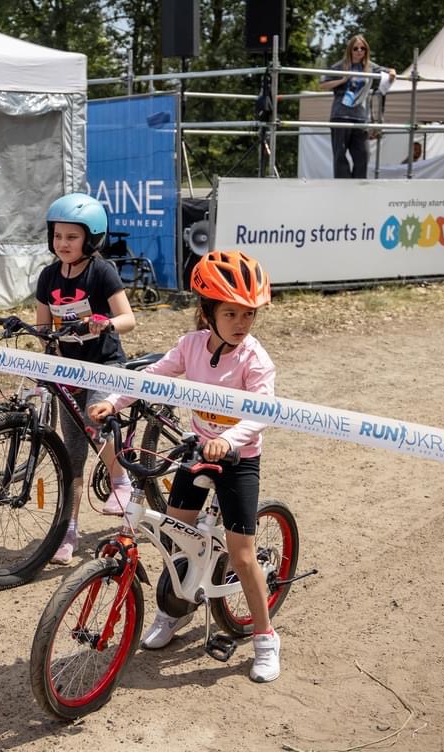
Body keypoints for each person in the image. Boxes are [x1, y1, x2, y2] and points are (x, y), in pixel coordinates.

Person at [88, 250, 280, 682]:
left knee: (243, 554)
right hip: (198, 448)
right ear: (207, 312)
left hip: (238, 458)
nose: (241, 323)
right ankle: (173, 611)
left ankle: (266, 637)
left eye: (248, 315)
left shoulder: (254, 358)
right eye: (231, 313)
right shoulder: (191, 345)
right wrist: (112, 401)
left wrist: (229, 441)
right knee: (175, 532)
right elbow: (153, 377)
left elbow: (263, 410)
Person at [32, 193, 136, 565]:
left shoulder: (102, 271)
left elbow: (128, 318)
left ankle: (121, 480)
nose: (63, 244)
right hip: (68, 372)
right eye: (58, 236)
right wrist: (37, 336)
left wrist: (104, 321)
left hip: (105, 365)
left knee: (96, 418)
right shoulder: (48, 276)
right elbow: (44, 325)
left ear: (91, 239)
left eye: (72, 237)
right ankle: (68, 531)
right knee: (71, 456)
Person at [320, 35, 396, 179]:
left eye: (363, 48)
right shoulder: (340, 66)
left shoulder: (370, 66)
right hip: (340, 116)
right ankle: (344, 188)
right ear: (350, 50)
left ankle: (357, 187)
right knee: (340, 156)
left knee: (363, 156)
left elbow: (388, 71)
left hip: (360, 118)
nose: (359, 51)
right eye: (356, 48)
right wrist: (342, 79)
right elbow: (323, 84)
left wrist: (392, 72)